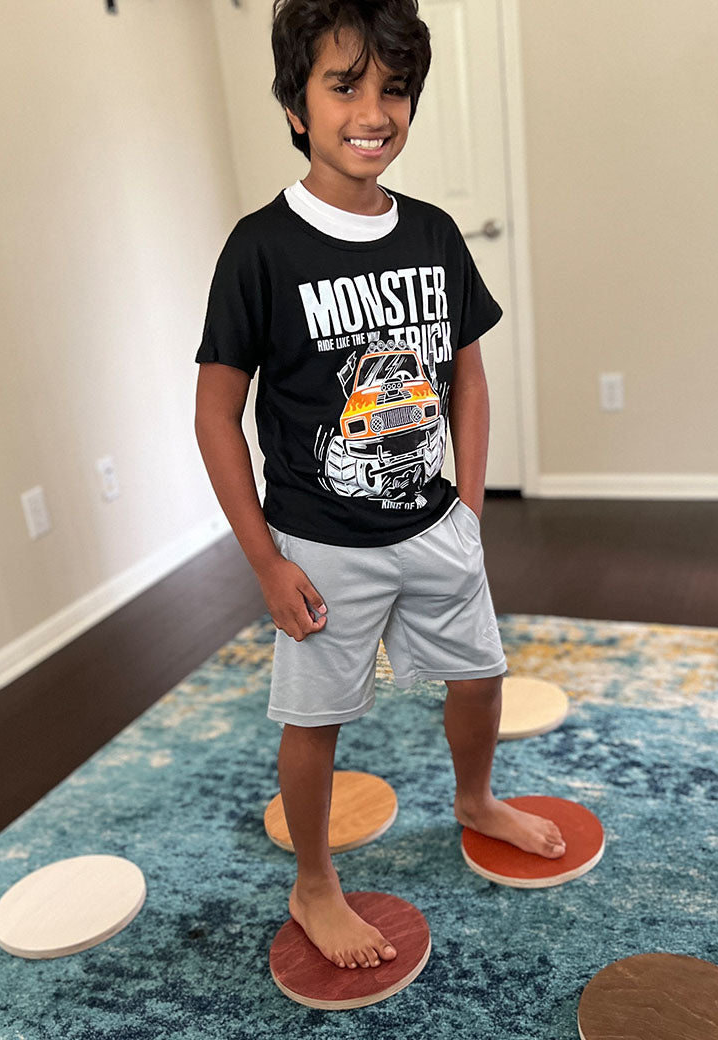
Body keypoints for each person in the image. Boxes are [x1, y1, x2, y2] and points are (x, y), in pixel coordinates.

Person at [194, 0, 565, 972]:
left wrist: (469, 506)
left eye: (393, 89)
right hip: (320, 543)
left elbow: (467, 378)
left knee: (480, 673)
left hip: (433, 520)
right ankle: (314, 879)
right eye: (344, 85)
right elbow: (215, 416)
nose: (373, 110)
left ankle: (475, 797)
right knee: (315, 717)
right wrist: (266, 562)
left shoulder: (434, 234)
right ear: (295, 106)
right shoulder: (260, 248)